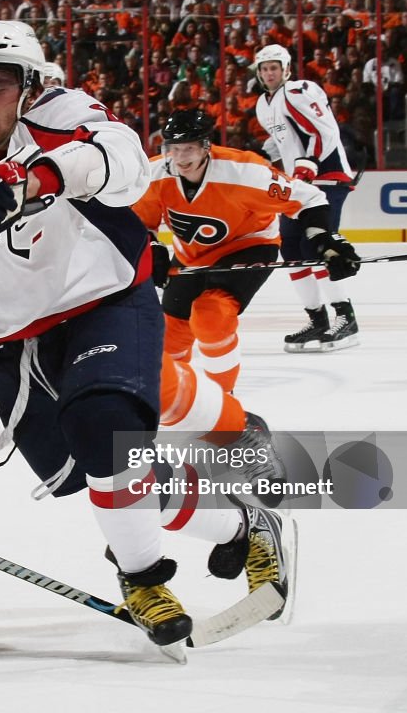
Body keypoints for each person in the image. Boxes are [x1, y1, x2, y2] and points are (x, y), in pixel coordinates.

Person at [0, 21, 290, 649]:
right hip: (10, 338)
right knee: (88, 475)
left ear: (28, 87)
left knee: (106, 432)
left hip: (102, 300)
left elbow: (122, 159)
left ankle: (143, 577)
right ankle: (240, 524)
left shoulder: (59, 119)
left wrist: (33, 180)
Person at [132, 108, 342, 507]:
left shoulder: (246, 173)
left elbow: (308, 198)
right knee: (165, 344)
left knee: (211, 316)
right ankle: (186, 410)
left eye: (189, 149)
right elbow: (140, 221)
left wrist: (324, 241)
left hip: (249, 247)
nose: (181, 157)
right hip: (192, 258)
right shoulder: (157, 174)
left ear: (206, 147)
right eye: (174, 148)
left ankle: (224, 412)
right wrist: (153, 247)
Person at [253, 44, 362, 352]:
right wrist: (259, 159)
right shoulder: (264, 103)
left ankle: (346, 318)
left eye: (274, 67)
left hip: (325, 179)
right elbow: (282, 141)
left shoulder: (299, 91)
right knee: (290, 248)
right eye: (264, 69)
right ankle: (318, 320)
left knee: (318, 246)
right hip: (297, 186)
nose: (269, 73)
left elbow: (324, 131)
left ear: (286, 69)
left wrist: (308, 165)